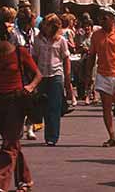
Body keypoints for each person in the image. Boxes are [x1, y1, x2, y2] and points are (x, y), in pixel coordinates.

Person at [0, 19, 41, 192]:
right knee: (12, 144)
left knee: (9, 144)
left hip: (16, 101)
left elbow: (37, 74)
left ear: (4, 37)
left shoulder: (20, 53)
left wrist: (30, 86)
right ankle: (25, 181)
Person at [30, 13, 72, 146]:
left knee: (54, 107)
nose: (45, 27)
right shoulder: (38, 39)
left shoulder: (61, 40)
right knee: (41, 105)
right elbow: (35, 57)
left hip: (56, 75)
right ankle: (39, 128)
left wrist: (67, 78)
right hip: (41, 75)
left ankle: (52, 137)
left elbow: (66, 59)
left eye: (48, 25)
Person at [90, 5, 115, 147]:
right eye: (100, 17)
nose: (101, 20)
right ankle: (112, 136)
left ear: (113, 19)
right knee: (106, 107)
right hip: (103, 74)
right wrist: (89, 76)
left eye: (104, 18)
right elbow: (92, 55)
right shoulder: (96, 35)